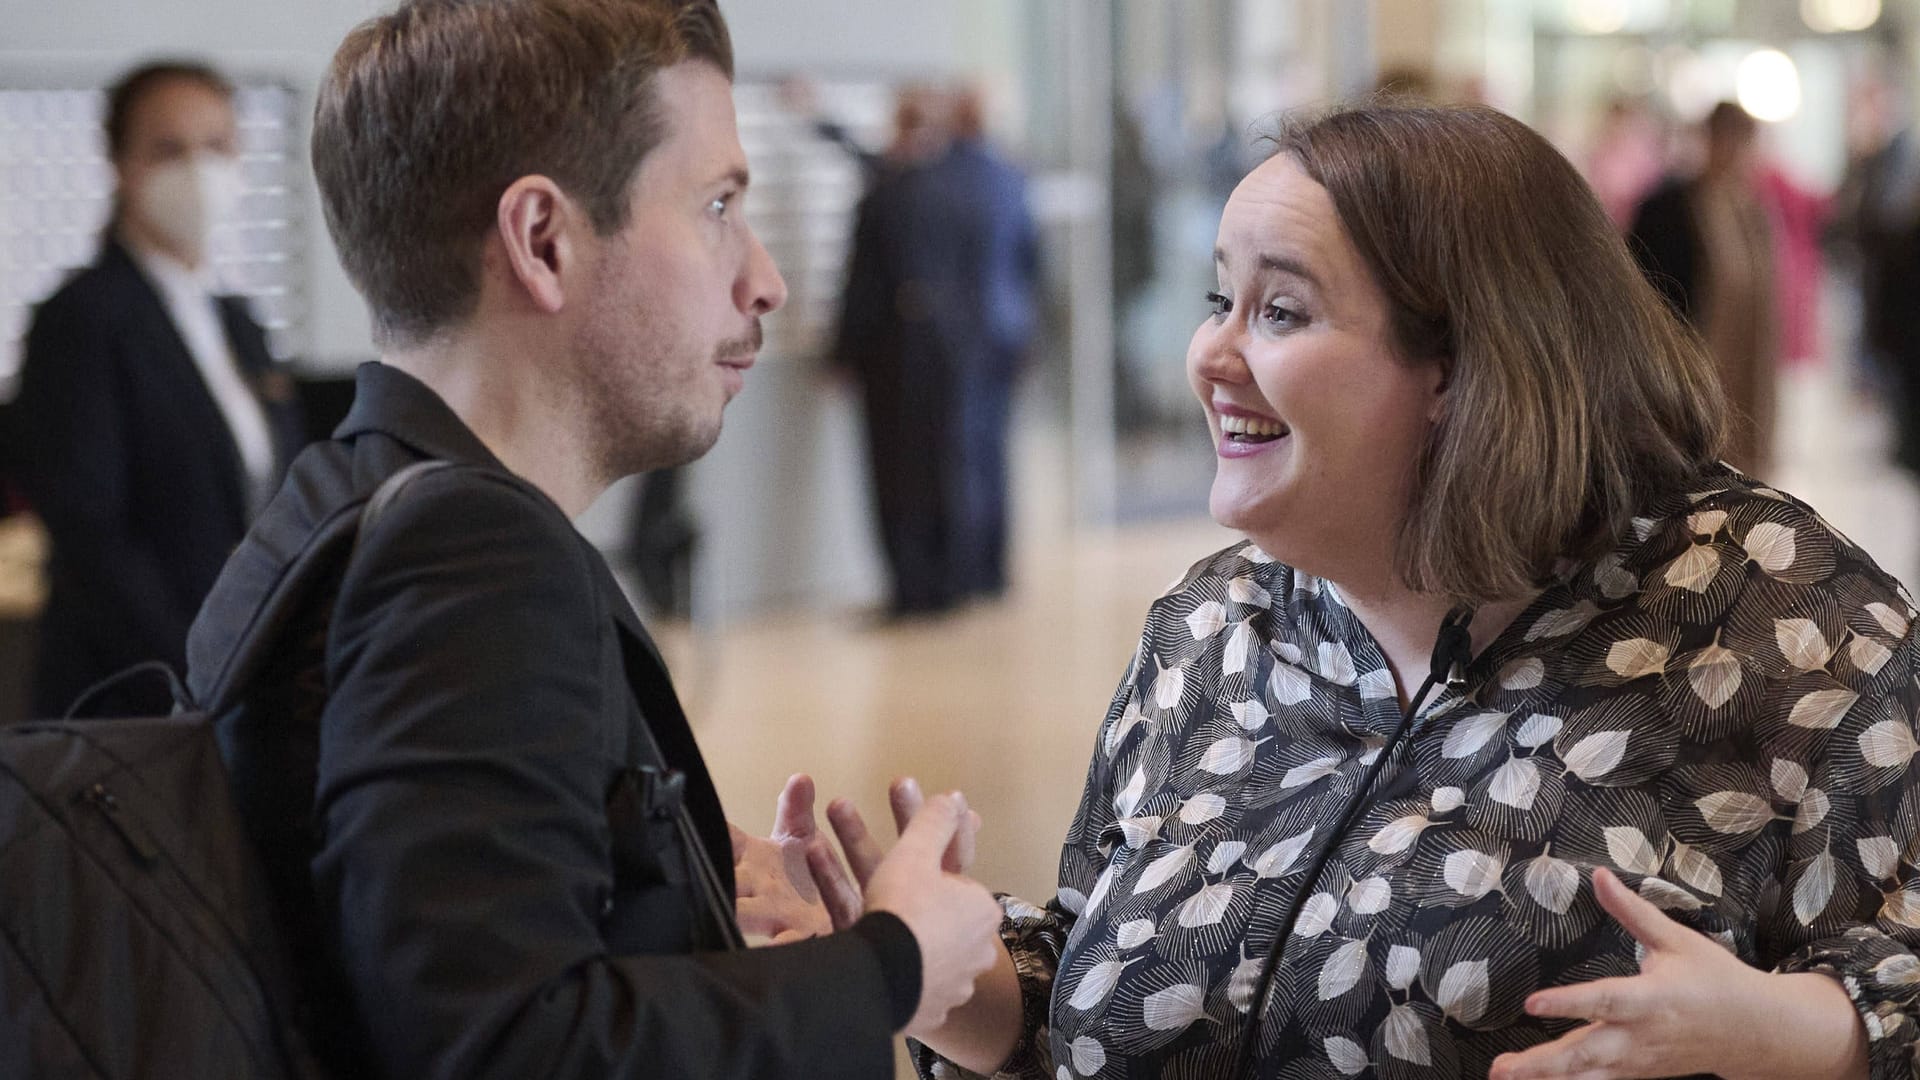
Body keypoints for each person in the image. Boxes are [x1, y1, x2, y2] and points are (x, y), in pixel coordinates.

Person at [795, 104, 1918, 1079]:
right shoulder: (1214, 630)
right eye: (1218, 299)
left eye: (1280, 312)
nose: (1210, 355)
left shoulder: (1785, 623)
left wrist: (1785, 1031)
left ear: (1462, 367)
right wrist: (936, 972)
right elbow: (1095, 1005)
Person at [183, 1, 1001, 1076]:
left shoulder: (342, 493)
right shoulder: (473, 560)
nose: (764, 277)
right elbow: (509, 1046)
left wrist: (680, 887)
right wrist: (891, 966)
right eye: (715, 205)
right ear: (543, 240)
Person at [14, 60, 306, 717]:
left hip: (245, 680)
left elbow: (279, 491)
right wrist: (200, 661)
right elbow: (91, 534)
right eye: (170, 148)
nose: (198, 171)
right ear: (121, 163)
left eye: (217, 146)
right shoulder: (80, 319)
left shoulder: (239, 320)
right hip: (134, 694)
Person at [834, 87, 1038, 613]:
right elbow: (1028, 263)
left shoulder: (891, 191)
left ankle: (916, 588)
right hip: (978, 343)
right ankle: (974, 574)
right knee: (968, 459)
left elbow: (866, 282)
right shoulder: (996, 181)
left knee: (901, 470)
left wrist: (843, 352)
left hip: (899, 351)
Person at [1630, 101, 1778, 478]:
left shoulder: (1751, 209)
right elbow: (1645, 286)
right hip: (1693, 354)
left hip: (1744, 359)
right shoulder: (1665, 207)